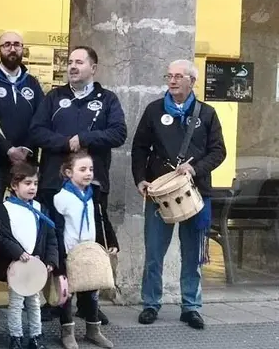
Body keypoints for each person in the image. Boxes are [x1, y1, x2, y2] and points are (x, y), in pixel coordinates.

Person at [29, 46, 126, 324]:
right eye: (70, 62)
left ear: (93, 68)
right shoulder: (54, 97)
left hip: (91, 186)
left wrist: (83, 138)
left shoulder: (107, 100)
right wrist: (64, 142)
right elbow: (36, 131)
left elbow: (119, 133)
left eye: (79, 62)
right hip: (54, 184)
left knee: (89, 245)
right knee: (55, 244)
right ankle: (57, 301)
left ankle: (88, 304)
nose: (72, 66)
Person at [132, 59, 226, 330]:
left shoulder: (206, 113)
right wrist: (141, 179)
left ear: (191, 81)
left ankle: (191, 306)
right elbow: (139, 148)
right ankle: (150, 303)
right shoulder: (153, 111)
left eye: (178, 76)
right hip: (159, 194)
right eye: (169, 76)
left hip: (196, 193)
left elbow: (218, 151)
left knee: (193, 253)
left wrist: (195, 169)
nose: (172, 81)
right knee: (154, 253)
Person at [0, 31, 45, 321]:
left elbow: (40, 120)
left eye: (16, 44)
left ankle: (30, 288)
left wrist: (26, 151)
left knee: (28, 228)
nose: (12, 48)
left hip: (27, 164)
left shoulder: (33, 84)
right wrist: (8, 151)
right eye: (6, 44)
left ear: (22, 49)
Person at [53, 152, 117, 349]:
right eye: (82, 169)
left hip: (90, 251)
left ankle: (93, 330)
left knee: (92, 291)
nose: (88, 173)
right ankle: (67, 332)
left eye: (90, 169)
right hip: (69, 251)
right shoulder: (61, 198)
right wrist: (57, 256)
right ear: (68, 172)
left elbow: (102, 219)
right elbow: (56, 228)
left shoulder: (94, 195)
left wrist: (111, 241)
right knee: (67, 293)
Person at [0, 162, 57, 349]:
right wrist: (18, 253)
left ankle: (36, 336)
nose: (32, 188)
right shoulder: (6, 209)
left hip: (35, 265)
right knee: (16, 302)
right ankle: (16, 336)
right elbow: (1, 237)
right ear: (14, 185)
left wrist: (50, 260)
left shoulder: (40, 208)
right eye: (27, 183)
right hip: (16, 265)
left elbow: (51, 236)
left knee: (34, 302)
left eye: (35, 184)